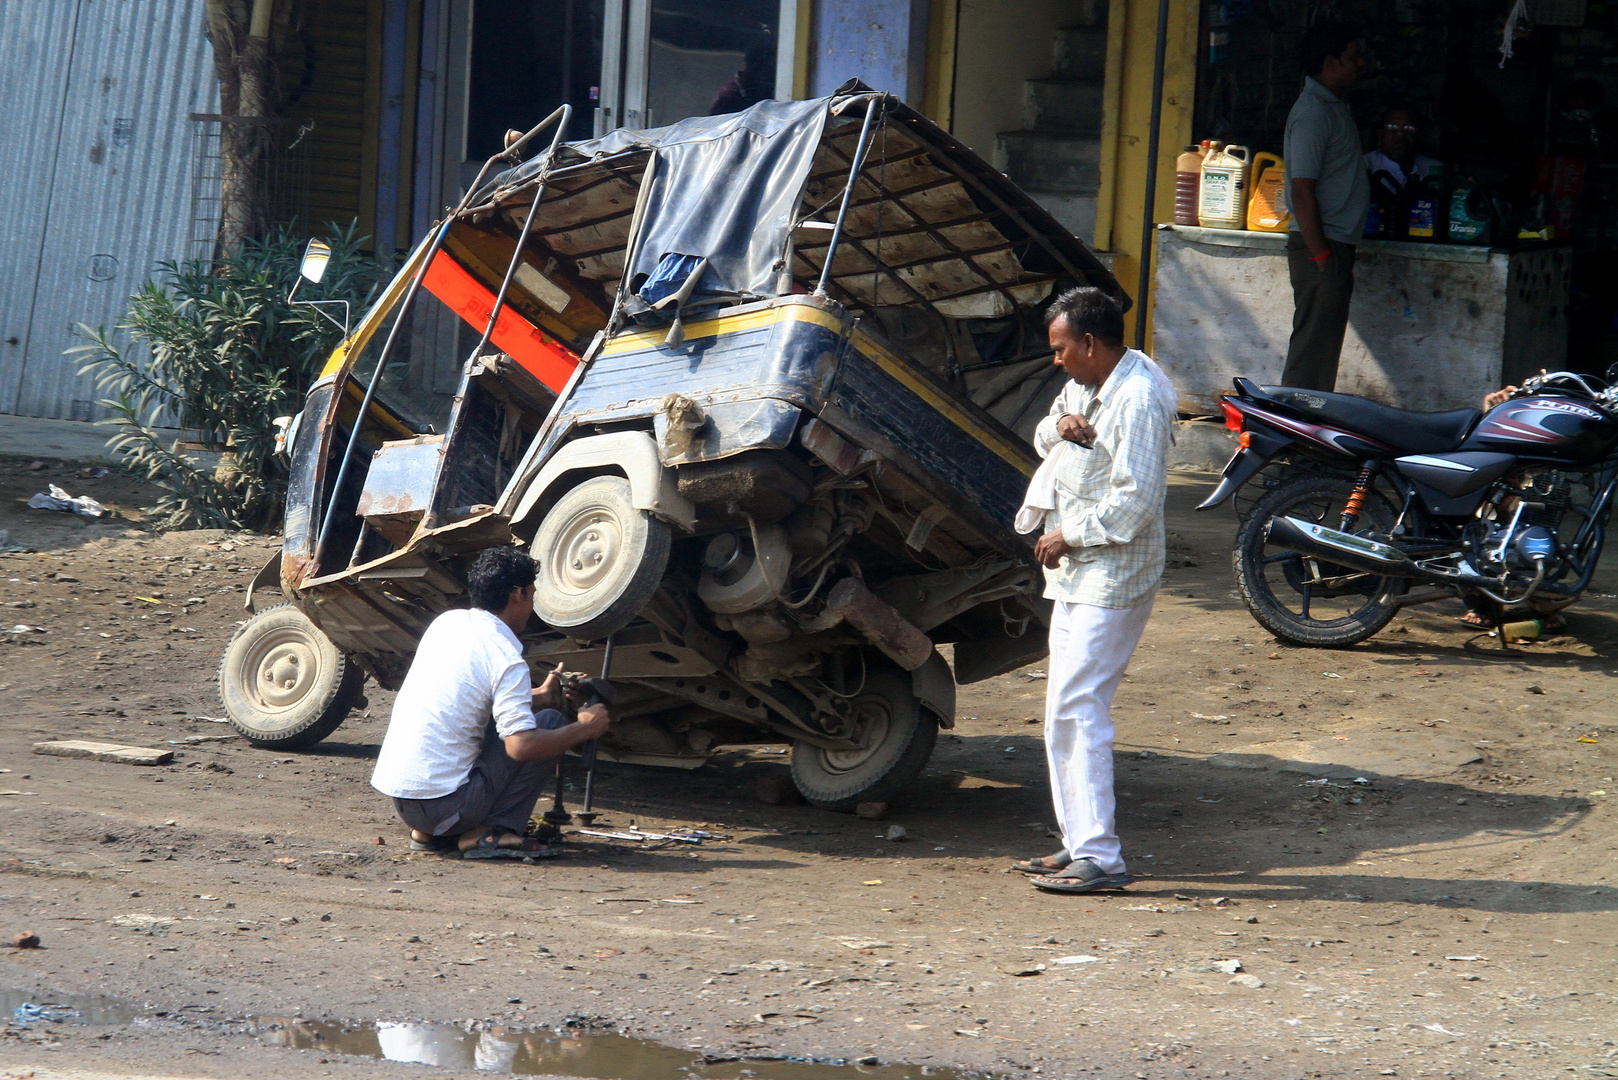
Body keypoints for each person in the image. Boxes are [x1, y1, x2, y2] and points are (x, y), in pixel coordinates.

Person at [1010, 287, 1174, 894]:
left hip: (1112, 573)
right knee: (1063, 712)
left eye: (1059, 349)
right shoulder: (1085, 384)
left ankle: (1101, 858)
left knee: (1081, 711)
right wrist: (1060, 424)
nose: (1055, 361)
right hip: (1079, 573)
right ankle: (1079, 842)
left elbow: (1136, 502)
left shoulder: (1137, 397)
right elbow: (1040, 435)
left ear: (1088, 342)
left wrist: (1067, 535)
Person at [370, 546, 611, 859]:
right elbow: (521, 747)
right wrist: (584, 728)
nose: (533, 604)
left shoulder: (448, 624)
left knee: (528, 717)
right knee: (549, 724)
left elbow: (463, 698)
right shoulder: (506, 658)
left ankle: (428, 834)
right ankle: (494, 832)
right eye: (532, 594)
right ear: (518, 595)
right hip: (447, 807)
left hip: (406, 801)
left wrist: (535, 697)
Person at [1281, 21, 1369, 392]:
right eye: (1353, 57)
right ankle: (1294, 434)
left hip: (1330, 243)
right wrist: (1321, 256)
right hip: (1321, 245)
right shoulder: (1314, 112)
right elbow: (1302, 191)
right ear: (1330, 63)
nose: (1360, 64)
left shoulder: (1330, 108)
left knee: (1321, 348)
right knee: (1312, 351)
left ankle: (1306, 435)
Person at [1364, 104, 1441, 190]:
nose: (1400, 134)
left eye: (1408, 128)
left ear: (1420, 134)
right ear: (1381, 133)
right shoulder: (1364, 166)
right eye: (1392, 127)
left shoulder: (1435, 169)